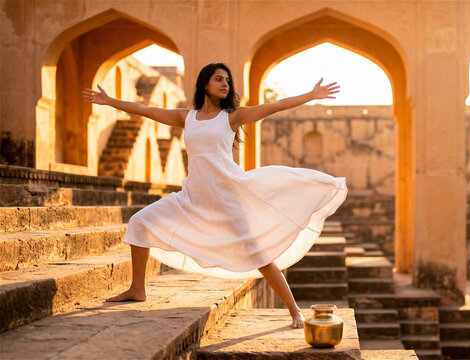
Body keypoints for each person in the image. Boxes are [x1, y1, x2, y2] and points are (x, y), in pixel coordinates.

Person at [82, 62, 347, 328]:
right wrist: (110, 101)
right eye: (218, 79)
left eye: (227, 81)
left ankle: (294, 311)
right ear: (204, 84)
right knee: (139, 222)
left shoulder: (232, 117)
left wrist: (310, 96)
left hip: (227, 198)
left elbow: (273, 106)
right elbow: (147, 110)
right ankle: (137, 289)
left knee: (260, 257)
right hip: (192, 198)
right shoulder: (186, 118)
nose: (225, 85)